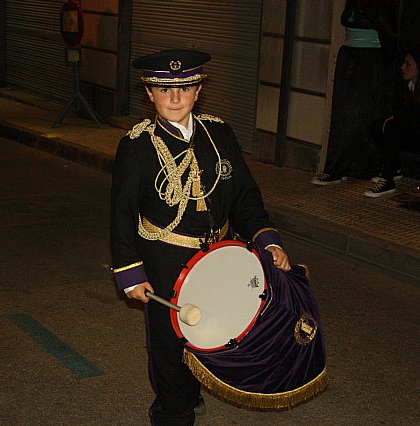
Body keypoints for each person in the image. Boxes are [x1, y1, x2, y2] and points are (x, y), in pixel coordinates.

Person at [110, 49, 290, 425]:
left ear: (198, 91)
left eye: (185, 88)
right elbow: (122, 214)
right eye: (164, 89)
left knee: (208, 330)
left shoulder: (219, 135)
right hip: (164, 257)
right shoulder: (137, 145)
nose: (175, 98)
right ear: (149, 94)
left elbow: (244, 197)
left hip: (218, 254)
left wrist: (267, 240)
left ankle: (190, 392)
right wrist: (130, 273)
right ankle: (172, 413)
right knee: (168, 342)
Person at [312, 0, 397, 185]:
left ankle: (367, 166)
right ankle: (336, 167)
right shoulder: (352, 4)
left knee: (362, 115)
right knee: (341, 115)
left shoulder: (378, 6)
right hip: (349, 58)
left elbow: (390, 37)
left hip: (368, 61)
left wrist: (380, 63)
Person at [363, 49, 420, 197]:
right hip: (413, 130)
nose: (403, 67)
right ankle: (395, 168)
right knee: (377, 126)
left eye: (408, 64)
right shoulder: (409, 85)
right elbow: (401, 110)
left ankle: (388, 180)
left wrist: (397, 119)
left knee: (392, 128)